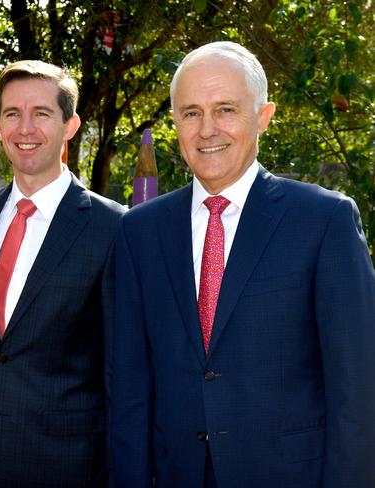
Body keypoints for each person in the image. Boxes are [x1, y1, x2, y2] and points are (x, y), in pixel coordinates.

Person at [112, 41, 375, 488]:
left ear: (264, 117)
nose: (208, 129)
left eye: (226, 109)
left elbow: (359, 388)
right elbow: (129, 388)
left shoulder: (323, 220)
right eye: (191, 113)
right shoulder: (140, 231)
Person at [0, 60, 125, 487]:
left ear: (70, 125)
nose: (26, 128)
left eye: (41, 113)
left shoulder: (112, 226)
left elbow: (124, 366)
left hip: (72, 467)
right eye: (12, 114)